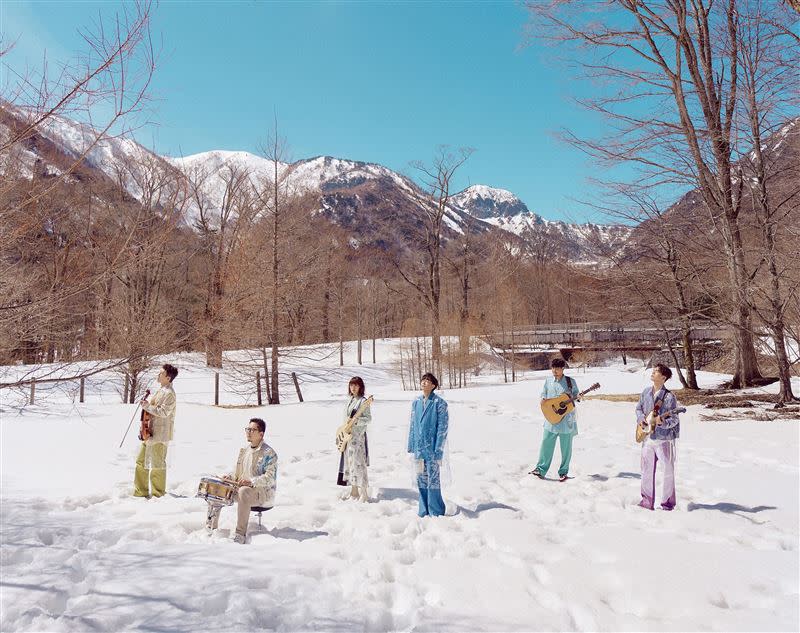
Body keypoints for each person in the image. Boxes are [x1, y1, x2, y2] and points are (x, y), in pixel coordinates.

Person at [207, 417, 278, 544]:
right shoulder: (244, 450)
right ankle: (211, 528)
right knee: (216, 488)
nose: (248, 432)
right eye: (247, 429)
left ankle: (240, 534)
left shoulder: (269, 453)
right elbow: (238, 472)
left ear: (261, 434)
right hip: (242, 489)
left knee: (244, 491)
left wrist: (251, 482)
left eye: (252, 430)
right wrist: (229, 478)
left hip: (262, 493)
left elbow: (270, 478)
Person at [636, 364, 681, 511]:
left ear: (663, 377)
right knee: (646, 471)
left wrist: (663, 422)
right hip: (647, 438)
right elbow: (638, 409)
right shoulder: (645, 392)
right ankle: (646, 502)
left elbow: (674, 419)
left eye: (656, 371)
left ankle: (667, 503)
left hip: (664, 440)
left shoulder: (669, 397)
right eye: (654, 371)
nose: (653, 373)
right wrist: (641, 419)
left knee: (668, 470)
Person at [530, 358, 579, 482]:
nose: (555, 371)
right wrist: (543, 399)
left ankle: (563, 472)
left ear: (563, 369)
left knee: (566, 448)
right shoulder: (548, 381)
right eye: (553, 368)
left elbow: (576, 396)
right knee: (546, 444)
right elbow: (544, 394)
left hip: (566, 420)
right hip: (551, 419)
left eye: (557, 368)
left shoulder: (570, 382)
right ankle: (540, 469)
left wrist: (577, 397)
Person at [133, 363, 178, 498]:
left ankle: (158, 494)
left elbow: (164, 412)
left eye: (161, 373)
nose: (158, 375)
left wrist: (147, 407)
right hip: (149, 433)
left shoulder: (170, 394)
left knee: (157, 464)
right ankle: (141, 492)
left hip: (160, 434)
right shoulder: (160, 390)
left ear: (168, 378)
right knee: (140, 461)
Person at [407, 372, 449, 517]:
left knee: (433, 480)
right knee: (421, 479)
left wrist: (438, 450)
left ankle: (436, 510)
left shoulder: (440, 403)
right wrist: (411, 445)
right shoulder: (416, 402)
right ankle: (423, 509)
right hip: (419, 449)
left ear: (433, 385)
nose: (424, 382)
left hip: (432, 449)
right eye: (423, 380)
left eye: (428, 380)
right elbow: (412, 425)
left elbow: (442, 428)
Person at [337, 376, 371, 502]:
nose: (353, 388)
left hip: (358, 437)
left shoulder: (363, 401)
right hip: (348, 437)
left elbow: (368, 419)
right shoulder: (350, 400)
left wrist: (356, 421)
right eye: (351, 385)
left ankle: (364, 492)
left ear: (360, 387)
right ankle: (354, 490)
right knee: (350, 464)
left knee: (359, 463)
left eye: (356, 385)